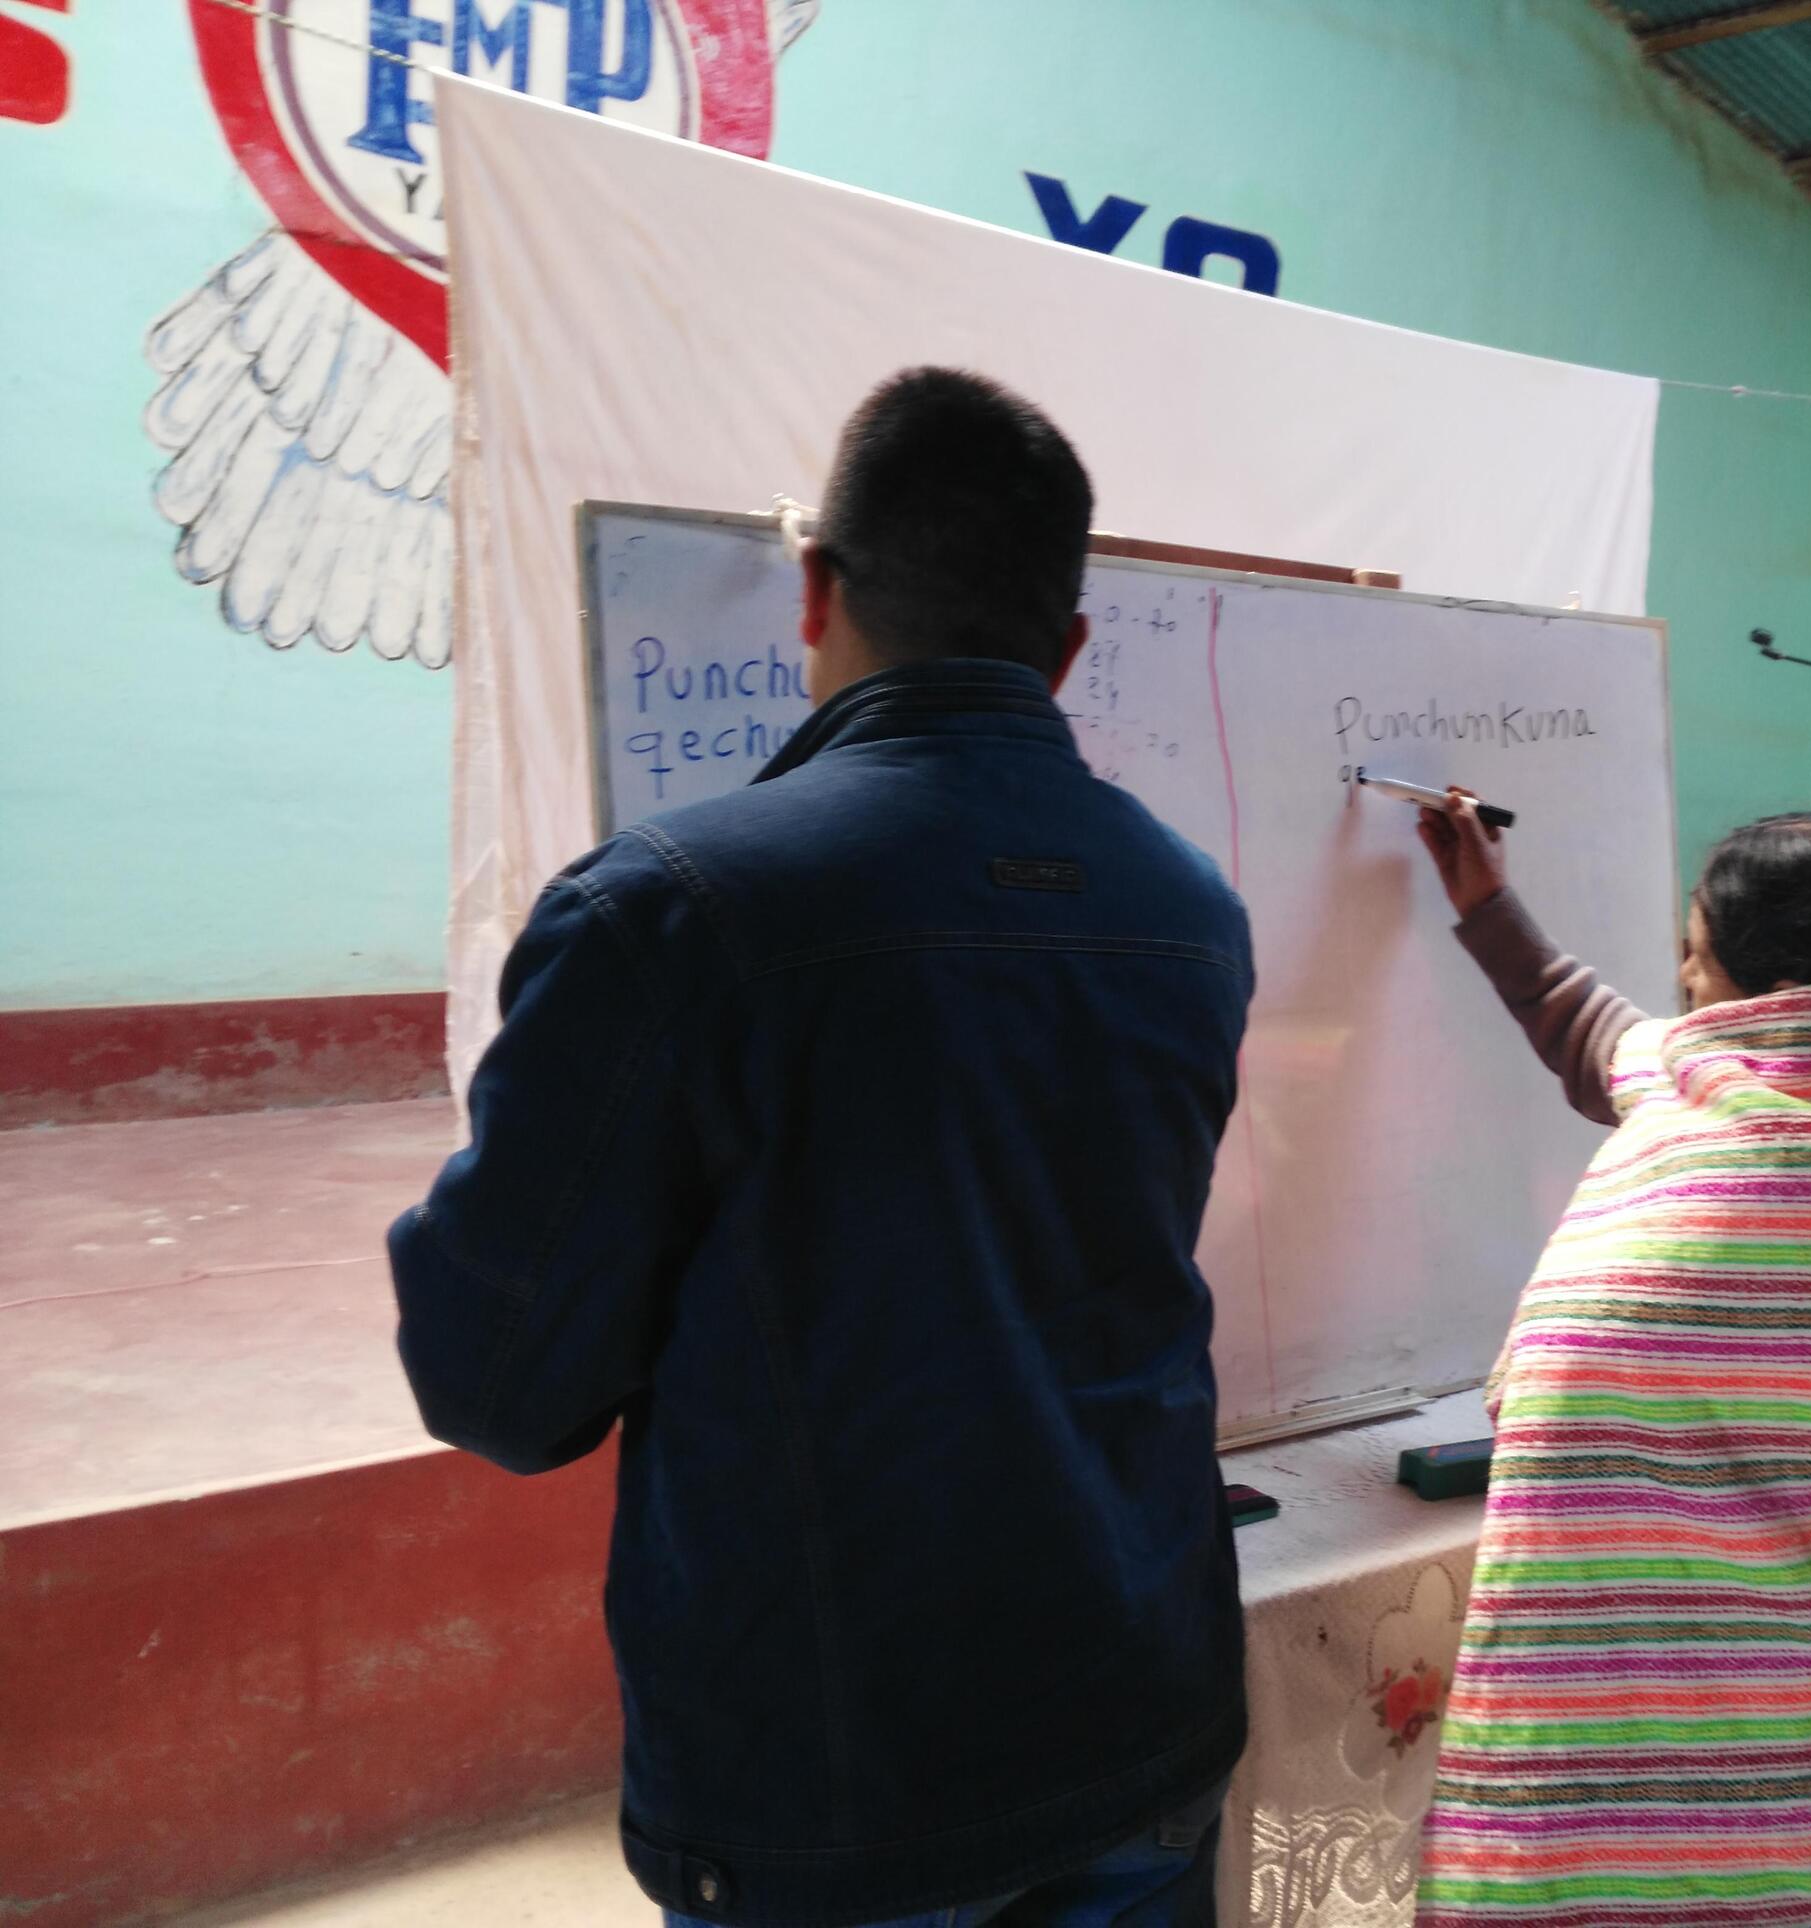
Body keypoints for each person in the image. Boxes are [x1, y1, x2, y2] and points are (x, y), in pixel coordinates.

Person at [389, 369, 1254, 1928]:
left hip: (841, 1767)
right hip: (1143, 1708)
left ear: (813, 590)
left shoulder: (665, 916)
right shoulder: (1190, 911)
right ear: (1068, 647)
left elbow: (499, 1389)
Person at [1413, 801, 1811, 1928]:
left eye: (1696, 962)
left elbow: (1570, 1379)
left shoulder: (1711, 1176)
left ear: (1777, 1004)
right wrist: (1489, 907)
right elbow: (1616, 1044)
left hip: (1723, 1784)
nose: (1683, 990)